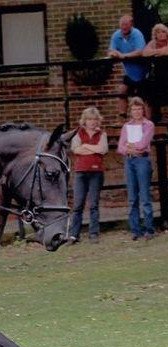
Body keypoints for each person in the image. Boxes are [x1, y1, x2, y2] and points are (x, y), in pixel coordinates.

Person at [67, 107, 109, 245]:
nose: (92, 122)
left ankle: (93, 233)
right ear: (84, 120)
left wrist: (86, 146)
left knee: (94, 204)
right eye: (89, 119)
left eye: (94, 119)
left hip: (96, 172)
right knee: (78, 204)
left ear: (98, 120)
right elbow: (76, 149)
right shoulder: (78, 133)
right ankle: (74, 235)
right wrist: (92, 148)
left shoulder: (102, 134)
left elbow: (102, 149)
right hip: (81, 172)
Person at [117, 97, 155, 240]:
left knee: (145, 196)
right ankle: (135, 230)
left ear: (143, 110)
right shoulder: (126, 126)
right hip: (130, 161)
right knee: (132, 197)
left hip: (142, 161)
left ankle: (149, 229)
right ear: (130, 111)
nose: (137, 112)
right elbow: (121, 147)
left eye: (139, 109)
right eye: (134, 109)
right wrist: (130, 149)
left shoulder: (149, 125)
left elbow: (143, 144)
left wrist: (130, 146)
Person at [107, 15, 149, 118]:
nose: (124, 27)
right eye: (122, 24)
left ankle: (148, 121)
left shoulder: (137, 34)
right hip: (129, 73)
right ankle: (122, 118)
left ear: (131, 24)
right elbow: (110, 51)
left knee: (145, 97)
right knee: (122, 92)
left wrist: (123, 55)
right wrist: (114, 53)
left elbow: (140, 51)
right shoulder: (116, 35)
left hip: (143, 71)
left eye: (126, 24)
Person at [142, 23, 168, 122]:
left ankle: (165, 116)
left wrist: (157, 52)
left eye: (163, 31)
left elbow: (166, 51)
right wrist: (159, 52)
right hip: (157, 75)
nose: (161, 34)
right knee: (148, 89)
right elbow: (145, 53)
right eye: (158, 32)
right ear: (155, 34)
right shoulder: (153, 43)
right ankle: (150, 120)